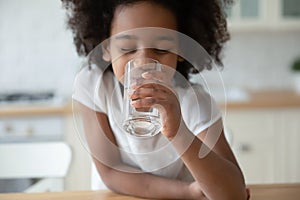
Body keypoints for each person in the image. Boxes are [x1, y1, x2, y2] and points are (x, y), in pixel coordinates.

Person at [62, 0, 250, 199]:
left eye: (161, 49)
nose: (143, 62)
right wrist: (185, 191)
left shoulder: (193, 102)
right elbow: (111, 171)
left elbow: (235, 195)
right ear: (107, 48)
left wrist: (179, 132)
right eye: (127, 48)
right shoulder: (94, 86)